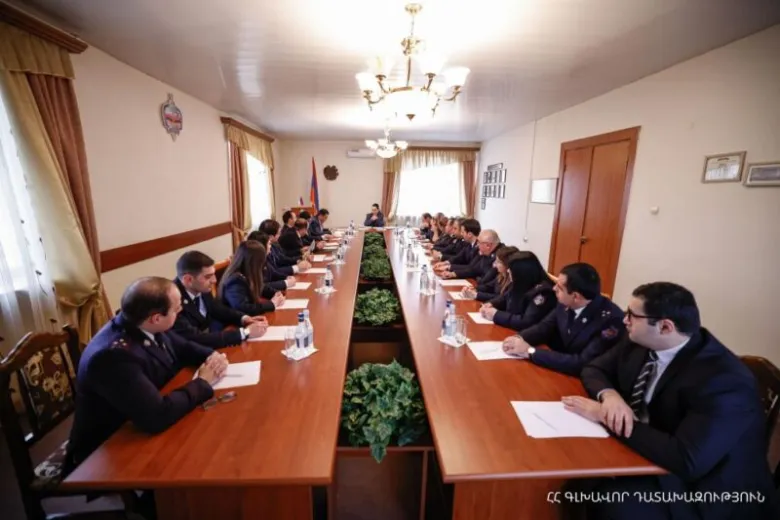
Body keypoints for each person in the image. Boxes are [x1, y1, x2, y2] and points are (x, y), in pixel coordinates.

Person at [564, 282, 780, 520]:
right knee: (575, 477)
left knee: (605, 499)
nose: (625, 320)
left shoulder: (724, 381)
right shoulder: (641, 340)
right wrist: (610, 397)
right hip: (653, 450)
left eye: (632, 315)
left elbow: (686, 460)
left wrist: (605, 416)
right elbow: (594, 369)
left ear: (665, 327)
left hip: (706, 491)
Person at [66, 277, 227, 471]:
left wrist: (211, 357)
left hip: (142, 417)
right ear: (156, 318)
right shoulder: (112, 357)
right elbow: (157, 416)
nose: (181, 310)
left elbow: (183, 347)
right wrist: (202, 382)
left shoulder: (141, 322)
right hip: (109, 448)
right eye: (177, 309)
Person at [501, 262, 625, 376]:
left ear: (575, 296)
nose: (554, 288)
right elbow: (543, 328)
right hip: (558, 369)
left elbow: (582, 363)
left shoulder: (611, 321)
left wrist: (530, 351)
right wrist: (518, 338)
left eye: (559, 287)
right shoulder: (565, 302)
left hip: (582, 379)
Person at [172, 251, 268, 348]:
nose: (214, 280)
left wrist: (243, 318)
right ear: (188, 279)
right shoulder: (172, 301)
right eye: (208, 277)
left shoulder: (200, 286)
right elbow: (197, 338)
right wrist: (245, 332)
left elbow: (216, 308)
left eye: (213, 274)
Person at [479, 252, 556, 331]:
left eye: (511, 269)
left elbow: (526, 322)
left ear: (522, 272)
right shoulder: (522, 282)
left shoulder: (543, 292)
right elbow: (505, 297)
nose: (508, 271)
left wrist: (496, 314)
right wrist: (491, 304)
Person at [219, 240, 285, 314]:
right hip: (234, 320)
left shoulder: (246, 273)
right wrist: (271, 304)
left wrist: (276, 293)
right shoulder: (234, 281)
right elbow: (243, 308)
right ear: (254, 262)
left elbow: (260, 287)